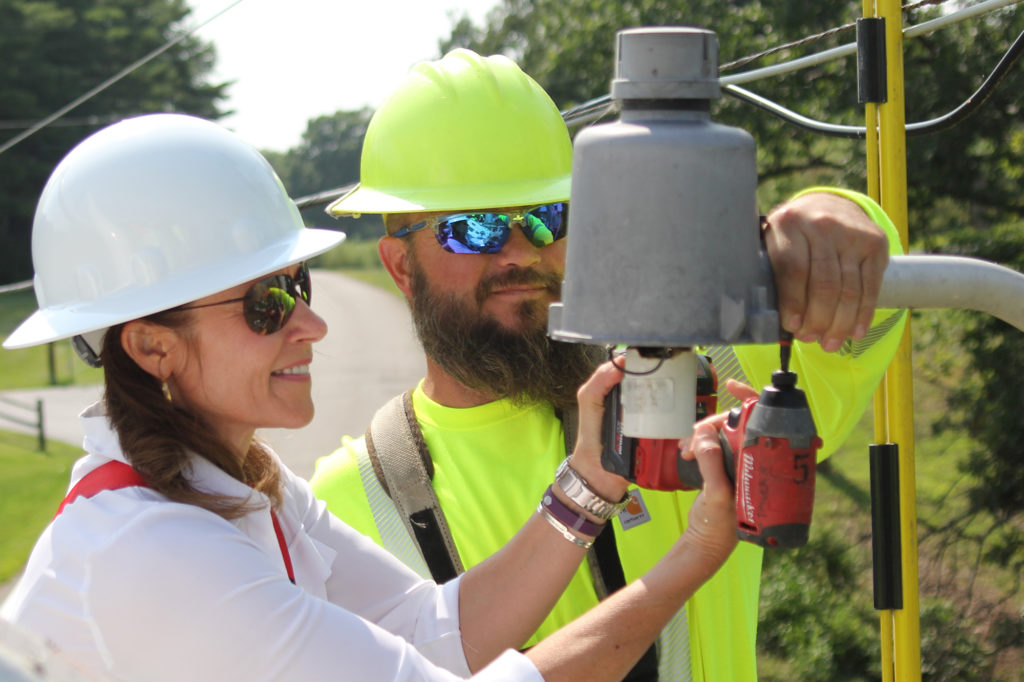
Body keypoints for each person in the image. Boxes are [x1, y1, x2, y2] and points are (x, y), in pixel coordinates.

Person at [0, 112, 740, 682]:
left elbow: (432, 627)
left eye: (299, 286)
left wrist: (591, 479)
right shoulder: (152, 548)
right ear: (152, 347)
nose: (311, 324)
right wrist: (696, 554)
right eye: (265, 304)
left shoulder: (242, 486)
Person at [309, 48, 908, 681]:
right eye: (473, 229)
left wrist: (836, 223)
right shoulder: (351, 503)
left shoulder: (684, 377)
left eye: (546, 218)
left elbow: (869, 312)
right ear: (401, 266)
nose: (519, 253)